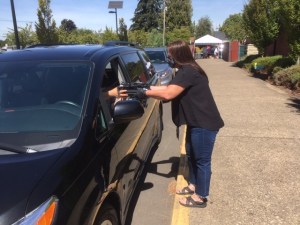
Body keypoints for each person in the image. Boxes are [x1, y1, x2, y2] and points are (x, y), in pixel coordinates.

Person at [133, 40, 224, 208]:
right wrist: (144, 88)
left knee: (202, 160)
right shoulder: (185, 70)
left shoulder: (189, 71)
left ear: (179, 54)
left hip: (204, 123)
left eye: (170, 54)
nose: (168, 57)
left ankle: (200, 196)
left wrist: (144, 93)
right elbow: (168, 87)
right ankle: (194, 185)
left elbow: (168, 94)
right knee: (191, 155)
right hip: (195, 122)